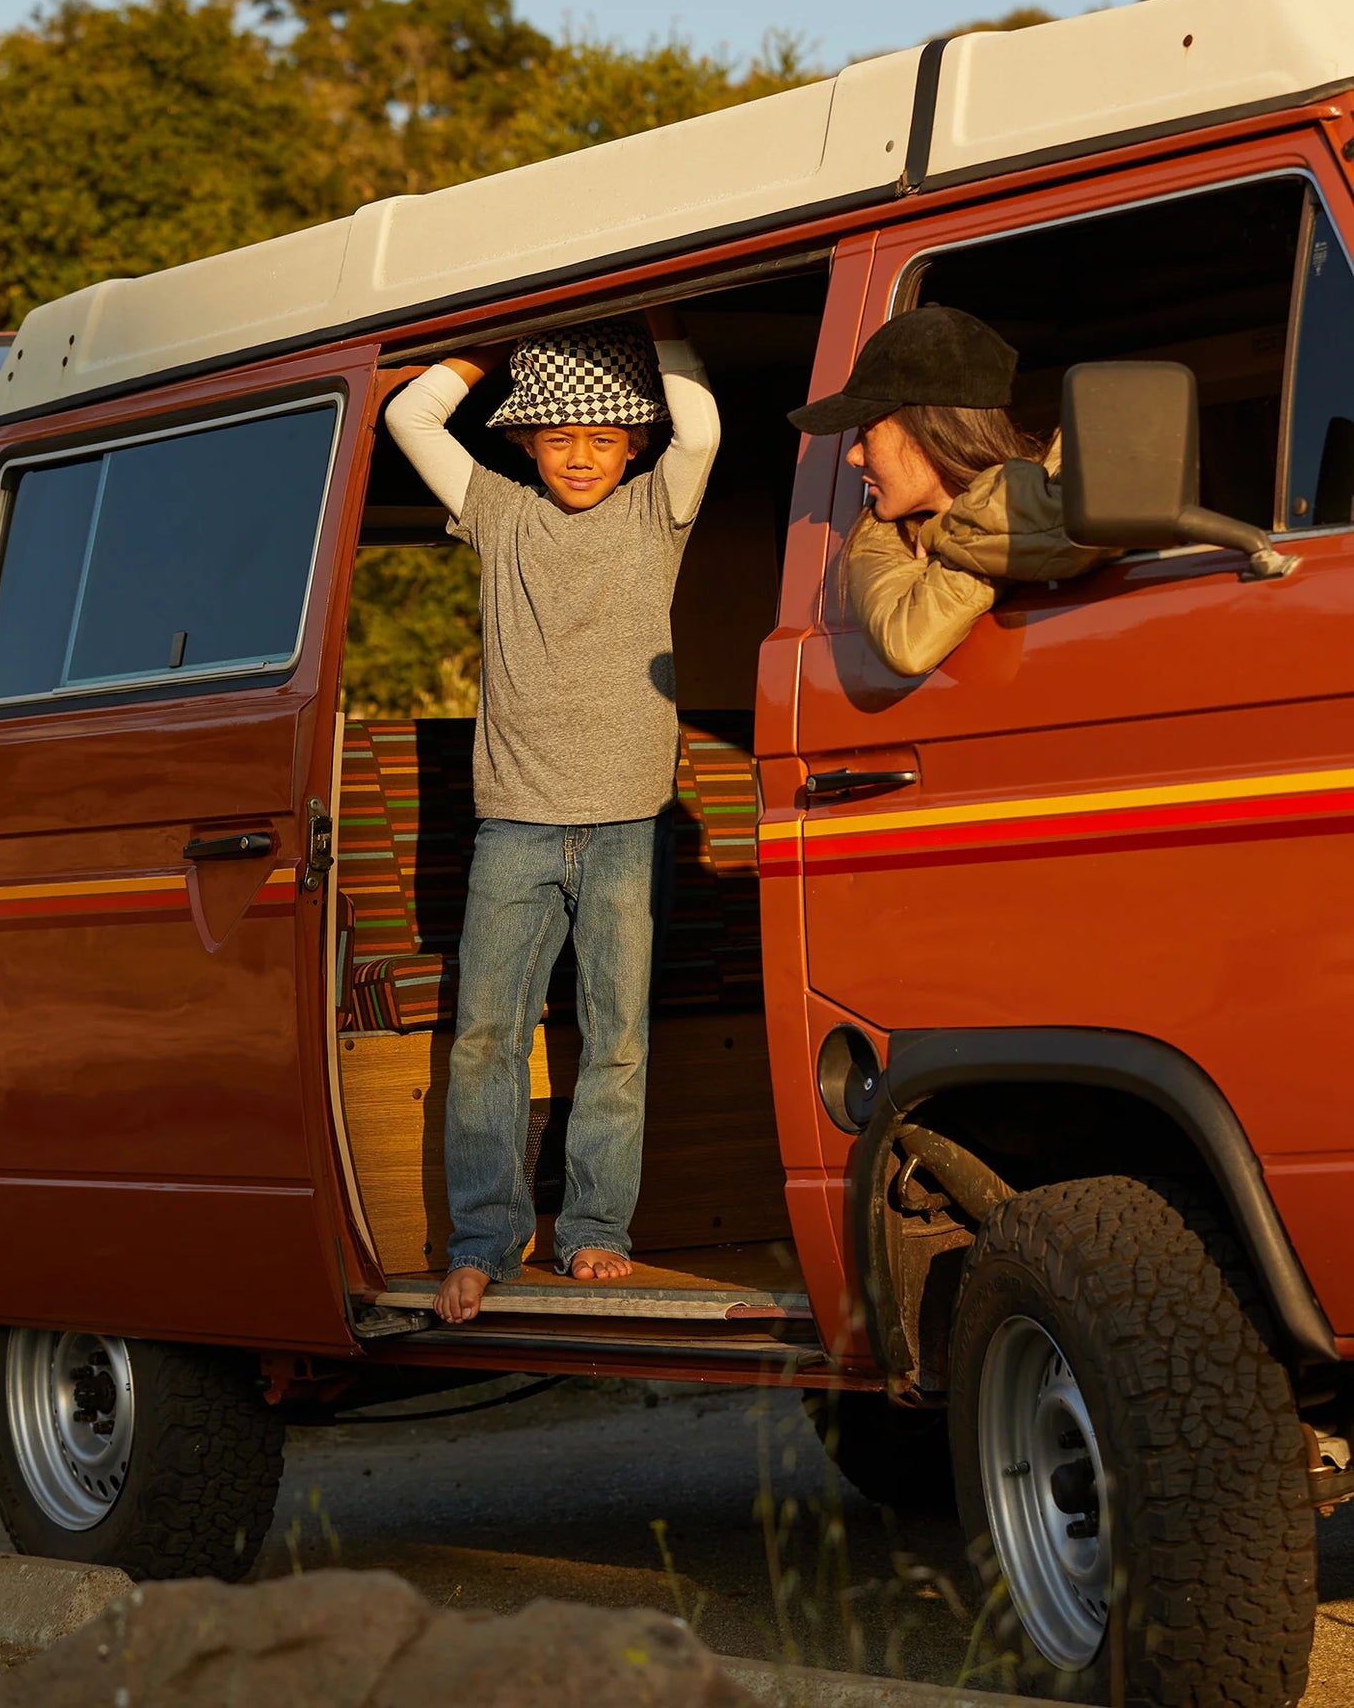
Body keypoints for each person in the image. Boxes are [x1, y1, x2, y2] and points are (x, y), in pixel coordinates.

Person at [385, 310, 719, 1323]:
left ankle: (593, 1234)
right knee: (487, 1037)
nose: (581, 456)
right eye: (560, 437)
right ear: (526, 440)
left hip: (628, 821)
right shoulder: (495, 510)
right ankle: (485, 1239)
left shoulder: (656, 511)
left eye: (603, 438)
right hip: (516, 824)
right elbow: (411, 414)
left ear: (634, 444)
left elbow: (699, 430)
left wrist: (664, 323)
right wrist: (489, 342)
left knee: (616, 1037)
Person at [787, 304, 1111, 676]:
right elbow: (907, 644)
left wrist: (946, 532)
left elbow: (1088, 533)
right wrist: (991, 542)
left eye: (866, 431)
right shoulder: (881, 535)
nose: (854, 457)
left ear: (929, 430)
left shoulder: (1060, 475)